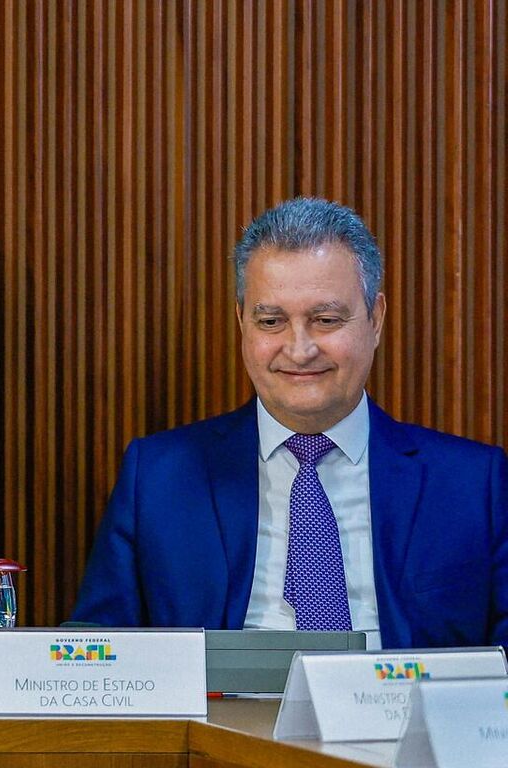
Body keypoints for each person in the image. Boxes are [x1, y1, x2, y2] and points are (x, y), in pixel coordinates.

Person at [73, 198, 507, 648]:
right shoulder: (159, 477)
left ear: (375, 320)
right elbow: (102, 657)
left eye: (325, 320)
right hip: (220, 714)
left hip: (403, 711)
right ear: (242, 321)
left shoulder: (473, 484)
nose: (299, 350)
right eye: (271, 321)